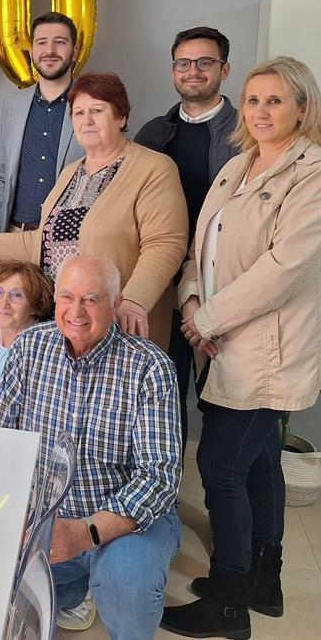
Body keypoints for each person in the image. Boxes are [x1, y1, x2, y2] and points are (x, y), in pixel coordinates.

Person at [160, 57, 321, 639]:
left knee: (220, 469)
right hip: (219, 339)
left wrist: (208, 318)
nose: (261, 111)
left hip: (269, 348)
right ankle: (264, 583)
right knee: (261, 460)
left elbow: (285, 268)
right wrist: (191, 301)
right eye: (253, 100)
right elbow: (201, 247)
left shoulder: (320, 175)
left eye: (275, 100)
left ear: (303, 107)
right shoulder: (239, 167)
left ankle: (227, 602)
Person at [0, 256, 182, 638]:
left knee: (126, 579)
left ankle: (99, 590)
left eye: (91, 300)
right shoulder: (28, 348)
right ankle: (74, 591)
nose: (75, 311)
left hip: (124, 524)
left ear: (115, 302)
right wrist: (14, 518)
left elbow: (159, 477)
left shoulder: (149, 366)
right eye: (67, 297)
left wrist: (86, 532)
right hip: (46, 521)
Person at [0, 73, 188, 349]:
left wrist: (135, 300)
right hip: (62, 320)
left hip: (116, 320)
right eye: (78, 113)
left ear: (121, 118)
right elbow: (43, 240)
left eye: (97, 111)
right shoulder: (70, 173)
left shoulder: (154, 168)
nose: (86, 120)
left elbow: (165, 244)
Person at [134, 26, 238, 445]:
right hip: (162, 280)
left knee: (223, 398)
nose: (193, 71)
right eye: (183, 63)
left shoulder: (245, 134)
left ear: (224, 69)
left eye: (205, 62)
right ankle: (166, 497)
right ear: (174, 70)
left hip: (222, 281)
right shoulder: (154, 133)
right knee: (164, 393)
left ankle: (225, 497)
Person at [0, 12, 86, 234]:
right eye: (42, 42)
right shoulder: (12, 107)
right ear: (32, 51)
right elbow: (3, 177)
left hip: (70, 239)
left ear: (75, 51)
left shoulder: (92, 105)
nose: (50, 50)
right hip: (15, 234)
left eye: (60, 42)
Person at [0, 261, 55, 412]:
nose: (3, 303)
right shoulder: (1, 349)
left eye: (17, 295)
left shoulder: (34, 358)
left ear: (35, 305)